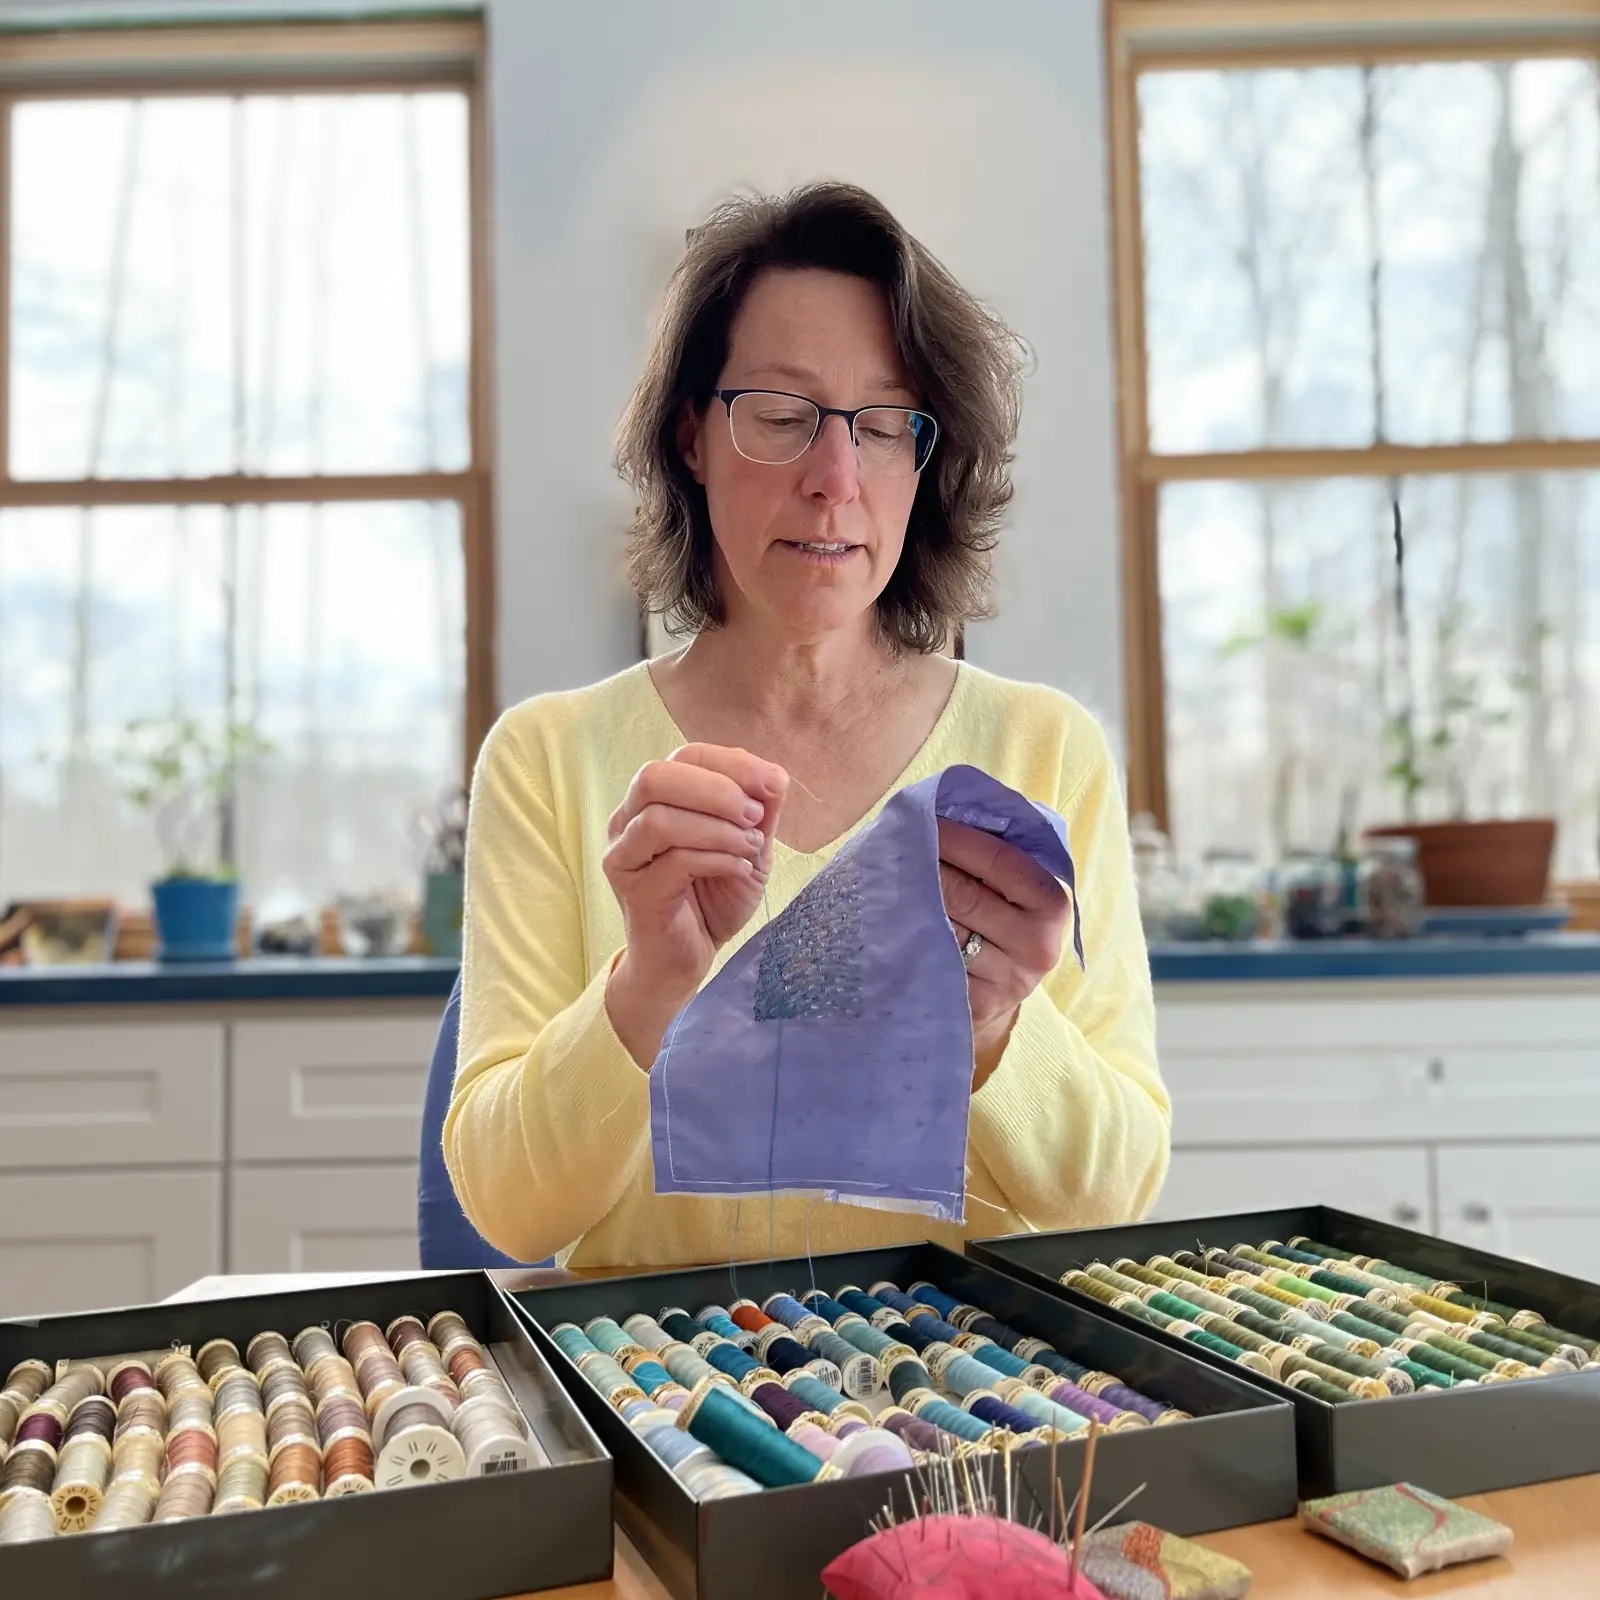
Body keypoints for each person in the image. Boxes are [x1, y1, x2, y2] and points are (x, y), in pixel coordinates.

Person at [444, 182, 1168, 1270]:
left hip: (983, 1412)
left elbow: (1114, 1199)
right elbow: (510, 1211)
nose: (835, 481)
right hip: (655, 1399)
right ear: (692, 436)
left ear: (928, 460)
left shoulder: (1043, 748)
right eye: (781, 417)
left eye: (883, 427)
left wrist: (992, 1028)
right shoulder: (548, 758)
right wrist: (644, 987)